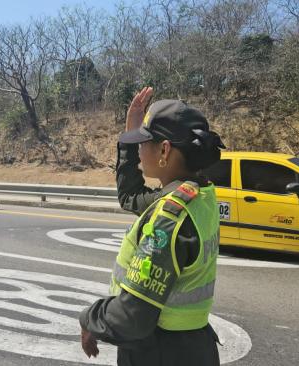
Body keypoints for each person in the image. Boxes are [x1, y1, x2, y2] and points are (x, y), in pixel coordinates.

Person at [79, 87, 226, 366]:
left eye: (142, 142)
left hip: (161, 353)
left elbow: (133, 316)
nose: (139, 148)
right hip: (192, 348)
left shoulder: (169, 219)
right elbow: (130, 196)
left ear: (164, 149)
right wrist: (128, 137)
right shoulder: (198, 193)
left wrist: (89, 319)